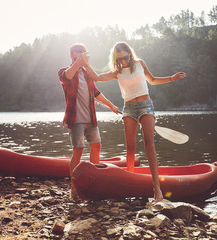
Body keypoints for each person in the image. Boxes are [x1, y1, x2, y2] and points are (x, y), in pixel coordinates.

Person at [83, 42, 186, 201]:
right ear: (116, 59)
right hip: (129, 108)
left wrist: (172, 78)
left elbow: (152, 80)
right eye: (120, 59)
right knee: (130, 148)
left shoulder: (140, 64)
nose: (123, 61)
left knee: (148, 143)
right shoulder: (117, 72)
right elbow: (97, 77)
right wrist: (85, 64)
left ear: (130, 54)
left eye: (125, 57)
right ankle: (129, 181)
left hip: (146, 105)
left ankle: (156, 188)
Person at [58, 43, 119, 199]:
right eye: (80, 53)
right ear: (73, 55)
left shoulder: (87, 74)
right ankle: (74, 187)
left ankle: (93, 182)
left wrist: (111, 105)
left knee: (96, 147)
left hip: (91, 119)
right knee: (78, 151)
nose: (85, 55)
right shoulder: (64, 72)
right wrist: (79, 62)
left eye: (85, 53)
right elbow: (67, 77)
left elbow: (96, 93)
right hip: (76, 120)